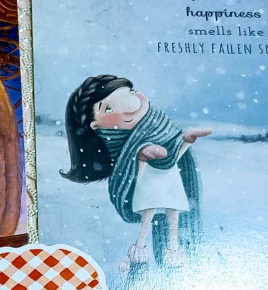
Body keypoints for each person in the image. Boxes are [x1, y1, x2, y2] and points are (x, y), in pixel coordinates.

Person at [61, 74, 210, 271]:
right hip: (148, 190)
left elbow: (172, 156)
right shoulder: (119, 146)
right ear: (95, 125)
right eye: (108, 108)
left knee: (173, 218)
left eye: (130, 93)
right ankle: (139, 252)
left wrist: (184, 141)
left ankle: (173, 250)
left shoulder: (165, 130)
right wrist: (141, 154)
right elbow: (125, 168)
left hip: (172, 189)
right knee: (149, 219)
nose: (131, 105)